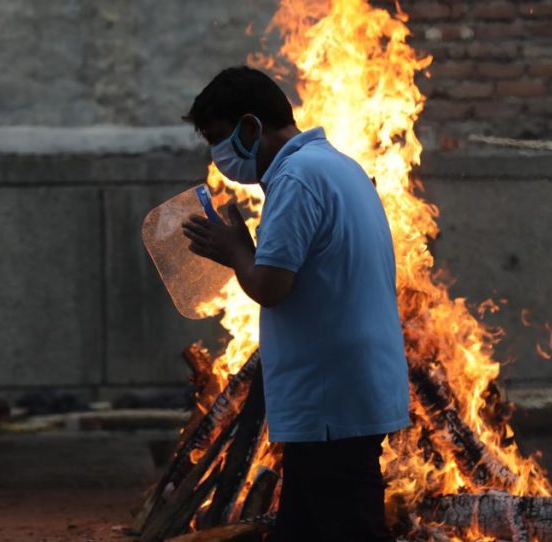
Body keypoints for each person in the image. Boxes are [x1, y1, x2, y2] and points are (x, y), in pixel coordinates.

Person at [182, 66, 409, 542]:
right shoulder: (337, 167)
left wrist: (234, 250)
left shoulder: (296, 179)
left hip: (331, 403)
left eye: (221, 138)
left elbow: (270, 287)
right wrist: (243, 247)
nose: (219, 156)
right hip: (345, 394)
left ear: (251, 126)